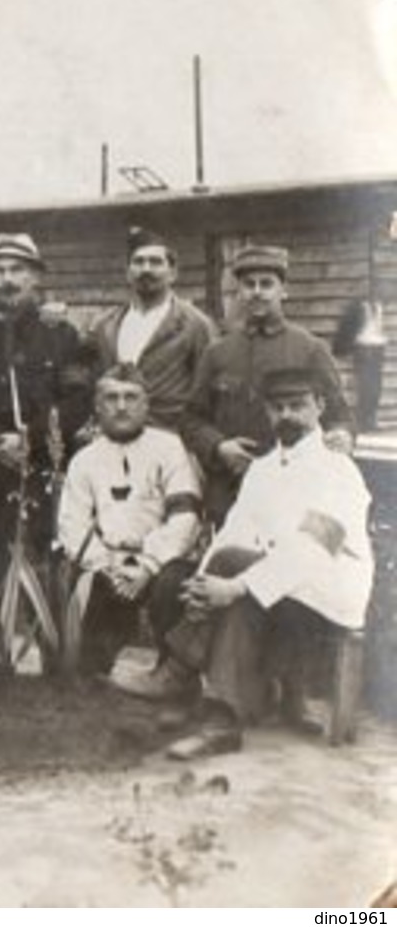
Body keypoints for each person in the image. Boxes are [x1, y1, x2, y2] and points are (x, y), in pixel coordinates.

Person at [155, 368, 372, 760]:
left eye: (298, 406)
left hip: (327, 591)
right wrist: (203, 585)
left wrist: (234, 585)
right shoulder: (263, 468)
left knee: (238, 580)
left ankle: (190, 684)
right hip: (276, 586)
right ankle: (217, 710)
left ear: (320, 406)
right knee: (229, 568)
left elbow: (313, 551)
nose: (286, 415)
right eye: (277, 408)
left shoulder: (339, 472)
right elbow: (233, 532)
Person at [0, 232, 91, 610]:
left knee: (50, 564)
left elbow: (78, 400)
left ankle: (54, 660)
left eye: (17, 269)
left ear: (36, 277)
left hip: (45, 467)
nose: (7, 279)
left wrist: (30, 440)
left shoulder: (63, 336)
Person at [182, 245, 353, 524]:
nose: (257, 291)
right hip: (230, 489)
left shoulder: (310, 348)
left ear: (283, 290)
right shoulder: (218, 352)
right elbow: (191, 417)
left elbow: (339, 414)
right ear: (239, 292)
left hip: (295, 487)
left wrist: (342, 435)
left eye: (267, 284)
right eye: (249, 285)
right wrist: (218, 447)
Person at [56, 366, 202, 680]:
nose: (121, 406)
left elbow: (186, 516)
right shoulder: (84, 459)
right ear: (97, 406)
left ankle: (171, 673)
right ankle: (92, 670)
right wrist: (107, 565)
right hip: (109, 560)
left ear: (146, 404)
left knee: (173, 583)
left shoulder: (169, 448)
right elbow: (73, 523)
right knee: (78, 579)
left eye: (131, 397)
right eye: (111, 398)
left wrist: (147, 565)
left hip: (161, 560)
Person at [85, 227, 216, 431]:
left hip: (172, 440)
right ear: (128, 272)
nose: (146, 269)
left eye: (156, 262)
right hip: (116, 439)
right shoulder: (105, 325)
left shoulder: (195, 325)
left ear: (173, 273)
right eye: (138, 262)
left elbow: (207, 393)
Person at [332, 292, 386, 432]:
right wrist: (344, 347)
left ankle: (371, 419)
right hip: (363, 348)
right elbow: (347, 327)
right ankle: (362, 421)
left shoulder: (380, 306)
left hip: (377, 349)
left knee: (376, 387)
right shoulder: (358, 307)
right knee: (365, 386)